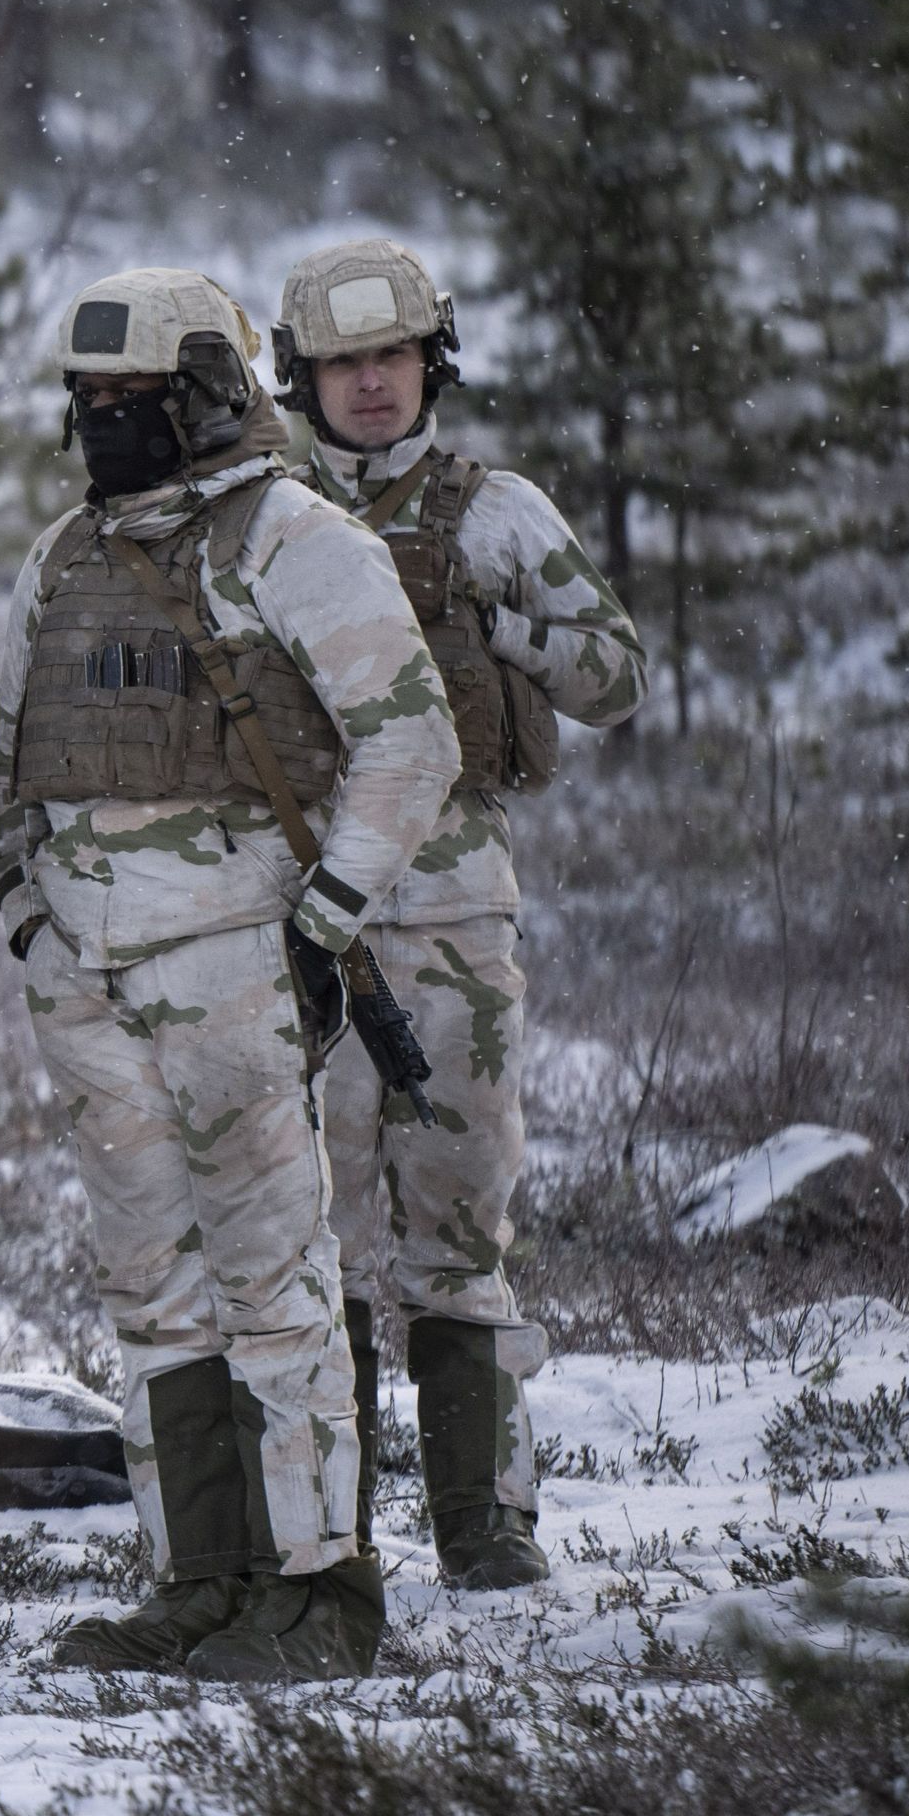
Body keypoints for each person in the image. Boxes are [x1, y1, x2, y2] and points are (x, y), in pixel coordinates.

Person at [0, 269, 456, 1682]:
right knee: (154, 1287)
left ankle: (317, 1588)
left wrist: (323, 918)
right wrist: (26, 920)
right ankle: (199, 1577)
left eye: (137, 400)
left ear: (205, 391)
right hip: (90, 981)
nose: (110, 423)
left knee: (273, 1277)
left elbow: (410, 740)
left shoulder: (296, 537)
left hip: (239, 962)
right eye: (92, 402)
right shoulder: (62, 554)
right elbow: (13, 759)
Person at [274, 239, 647, 1590]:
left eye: (393, 359)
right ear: (296, 375)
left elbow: (615, 675)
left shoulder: (495, 512)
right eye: (341, 364)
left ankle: (486, 1527)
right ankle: (324, 1533)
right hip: (298, 917)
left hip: (449, 919)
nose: (371, 387)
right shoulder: (256, 514)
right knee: (294, 1240)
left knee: (460, 1232)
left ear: (432, 362)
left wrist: (488, 618)